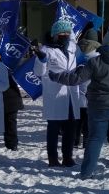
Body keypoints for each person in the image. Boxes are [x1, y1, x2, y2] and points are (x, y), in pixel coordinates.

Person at [50, 25, 109, 180]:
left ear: (105, 44)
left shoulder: (95, 62)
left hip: (99, 107)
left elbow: (75, 79)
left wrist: (55, 76)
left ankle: (86, 173)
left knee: (95, 139)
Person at [35, 19, 83, 167]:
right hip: (54, 94)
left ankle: (68, 157)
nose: (65, 35)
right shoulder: (46, 50)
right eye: (62, 33)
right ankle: (53, 158)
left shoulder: (72, 48)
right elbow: (38, 73)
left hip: (71, 94)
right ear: (55, 35)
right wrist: (42, 61)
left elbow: (79, 62)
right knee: (54, 129)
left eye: (67, 33)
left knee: (70, 129)